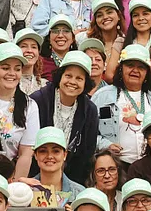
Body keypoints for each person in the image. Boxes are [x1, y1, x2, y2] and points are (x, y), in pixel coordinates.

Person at [30, 51, 101, 184]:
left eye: (79, 78)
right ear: (60, 77)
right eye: (68, 76)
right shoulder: (38, 101)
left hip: (72, 179)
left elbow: (87, 154)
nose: (72, 82)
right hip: (35, 175)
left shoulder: (90, 110)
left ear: (86, 83)